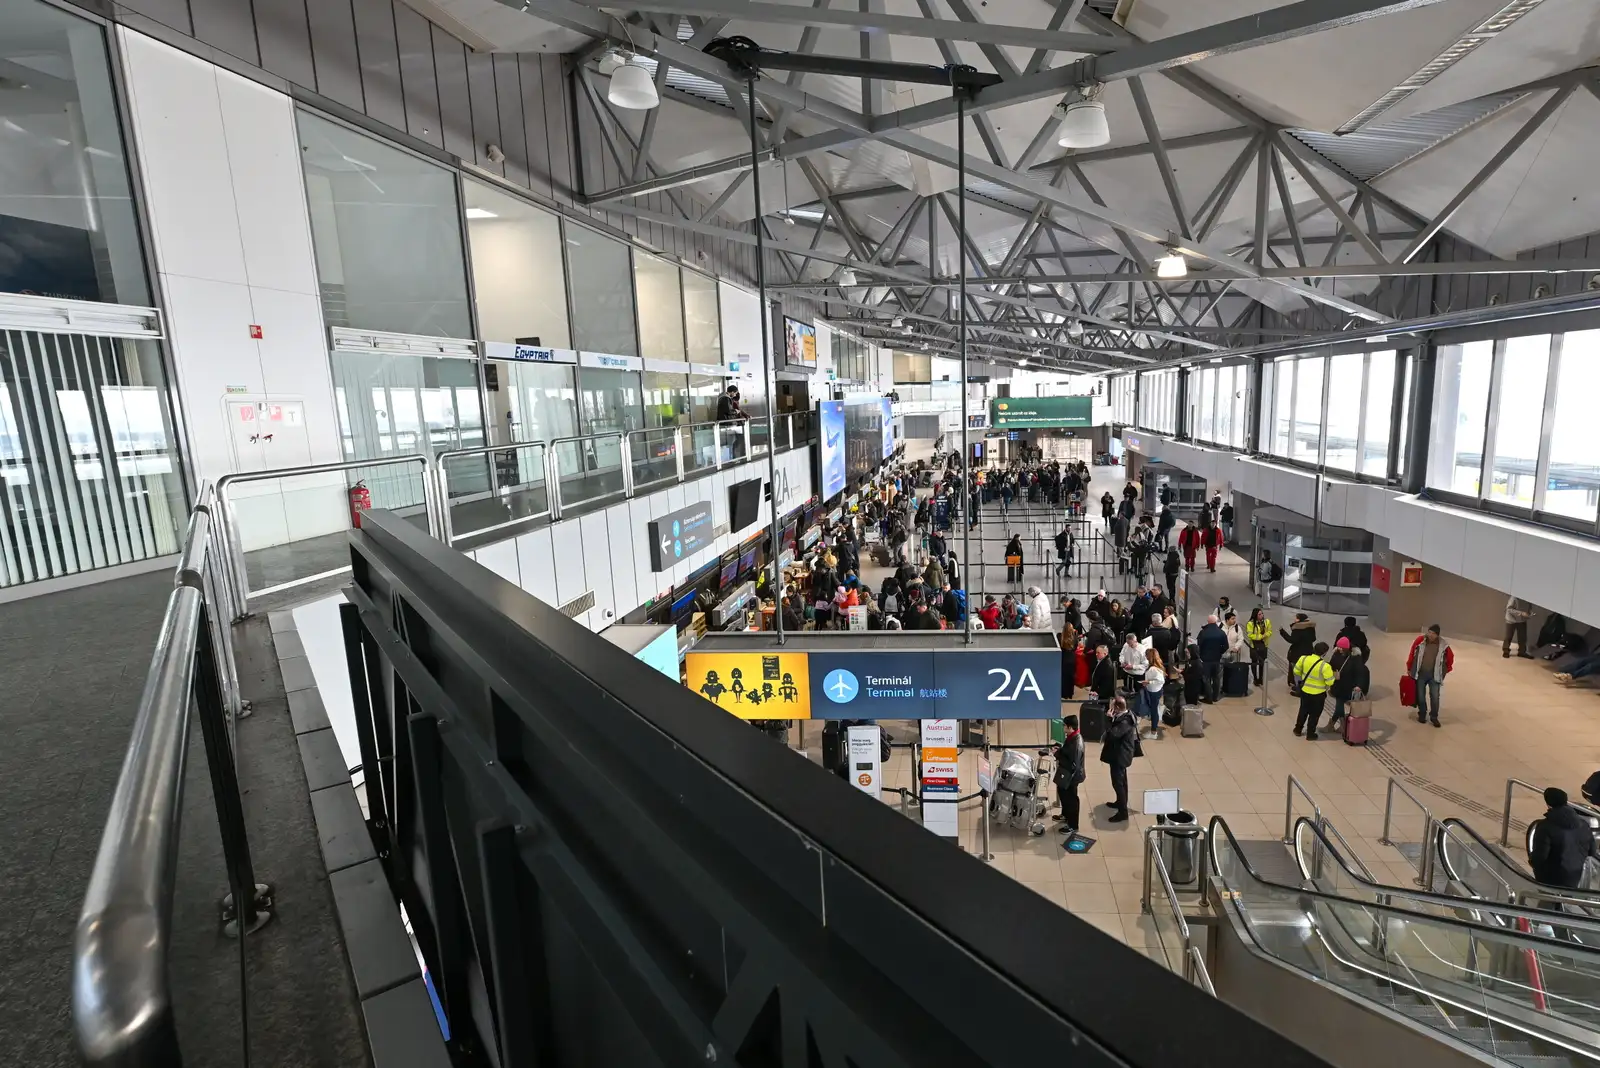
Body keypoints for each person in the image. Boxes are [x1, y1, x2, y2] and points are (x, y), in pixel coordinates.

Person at [1529, 787, 1596, 890]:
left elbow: (1539, 858)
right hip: (1574, 877)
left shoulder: (1545, 826)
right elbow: (1592, 851)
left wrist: (1532, 862)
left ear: (1548, 803)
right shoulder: (1584, 824)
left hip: (1550, 879)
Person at [1406, 624, 1455, 727]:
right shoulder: (1420, 640)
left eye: (1433, 633)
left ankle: (1434, 717)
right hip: (1421, 674)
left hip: (1434, 675)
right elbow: (1412, 653)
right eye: (1429, 632)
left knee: (1435, 697)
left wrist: (1445, 670)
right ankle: (1422, 714)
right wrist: (1409, 667)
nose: (1430, 635)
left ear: (1437, 635)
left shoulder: (1443, 645)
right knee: (1420, 696)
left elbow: (1450, 658)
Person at [1101, 696, 1138, 823]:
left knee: (1118, 783)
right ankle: (1120, 802)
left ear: (1117, 708)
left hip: (1120, 756)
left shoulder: (1125, 721)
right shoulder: (1125, 715)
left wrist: (1108, 719)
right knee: (1122, 781)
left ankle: (1123, 812)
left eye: (1112, 706)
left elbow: (1112, 735)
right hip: (1118, 754)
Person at [1292, 640, 1336, 740]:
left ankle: (1298, 729)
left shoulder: (1303, 659)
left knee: (1303, 710)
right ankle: (1310, 734)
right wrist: (1333, 677)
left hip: (1305, 691)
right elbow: (1330, 682)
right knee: (1314, 714)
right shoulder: (1325, 666)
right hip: (1318, 694)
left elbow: (1296, 670)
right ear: (1324, 653)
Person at [1052, 715, 1086, 835]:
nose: (1063, 727)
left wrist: (1057, 754)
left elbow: (1073, 764)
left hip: (1072, 776)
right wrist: (1061, 750)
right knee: (1062, 793)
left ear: (1070, 727)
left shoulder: (1077, 743)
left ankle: (1073, 825)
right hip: (1066, 774)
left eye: (1064, 726)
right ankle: (1065, 815)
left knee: (1071, 799)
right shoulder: (1072, 737)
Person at [1328, 637, 1370, 730]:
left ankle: (1341, 726)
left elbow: (1360, 673)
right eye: (1338, 647)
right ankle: (1335, 725)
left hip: (1349, 686)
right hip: (1337, 684)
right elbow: (1331, 665)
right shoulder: (1336, 653)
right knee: (1339, 704)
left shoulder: (1355, 658)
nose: (1339, 649)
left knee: (1339, 705)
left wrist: (1359, 685)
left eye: (1341, 648)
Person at [1195, 614, 1228, 703]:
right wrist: (1220, 652)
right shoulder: (1221, 632)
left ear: (1208, 622)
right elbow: (1226, 646)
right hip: (1217, 659)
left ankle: (1208, 697)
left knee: (1206, 678)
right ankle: (1215, 697)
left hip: (1205, 659)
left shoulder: (1203, 632)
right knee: (1216, 678)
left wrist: (1201, 655)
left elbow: (1199, 645)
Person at [715, 384, 750, 458]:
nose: (734, 395)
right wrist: (735, 411)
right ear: (731, 392)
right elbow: (729, 410)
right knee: (733, 441)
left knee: (732, 442)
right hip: (727, 423)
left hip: (725, 423)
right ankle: (733, 457)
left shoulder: (722, 398)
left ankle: (732, 457)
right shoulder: (726, 399)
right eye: (734, 393)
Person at [1139, 647, 1165, 739]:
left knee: (1154, 711)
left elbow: (1161, 680)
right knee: (1154, 709)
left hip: (1154, 691)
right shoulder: (1154, 666)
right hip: (1155, 690)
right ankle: (1154, 727)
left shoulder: (1154, 668)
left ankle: (1153, 732)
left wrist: (1148, 682)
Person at [1246, 607, 1273, 687]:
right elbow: (1250, 635)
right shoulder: (1250, 624)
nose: (1262, 615)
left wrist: (1266, 635)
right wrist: (1260, 636)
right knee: (1254, 662)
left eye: (1262, 613)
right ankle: (1255, 678)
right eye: (1259, 614)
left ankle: (1261, 678)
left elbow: (1270, 631)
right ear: (1255, 615)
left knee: (1262, 662)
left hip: (1264, 645)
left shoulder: (1267, 622)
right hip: (1254, 645)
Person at [1058, 621, 1080, 700]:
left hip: (1064, 658)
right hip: (1072, 659)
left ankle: (1064, 693)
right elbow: (1076, 647)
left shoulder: (1060, 636)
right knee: (1071, 677)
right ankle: (1070, 693)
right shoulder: (1074, 637)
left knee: (1064, 677)